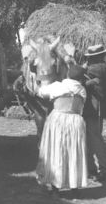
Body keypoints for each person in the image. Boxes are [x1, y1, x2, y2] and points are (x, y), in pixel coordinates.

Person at [36, 65, 88, 195]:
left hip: (58, 120)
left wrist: (42, 83)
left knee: (57, 151)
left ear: (68, 75)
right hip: (75, 121)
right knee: (74, 151)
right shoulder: (82, 90)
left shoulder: (57, 86)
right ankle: (74, 185)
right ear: (81, 78)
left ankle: (55, 186)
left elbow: (41, 92)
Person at [82, 44, 106, 183]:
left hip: (94, 108)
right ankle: (93, 169)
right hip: (98, 107)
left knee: (94, 138)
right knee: (93, 137)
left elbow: (82, 82)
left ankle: (103, 170)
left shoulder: (94, 68)